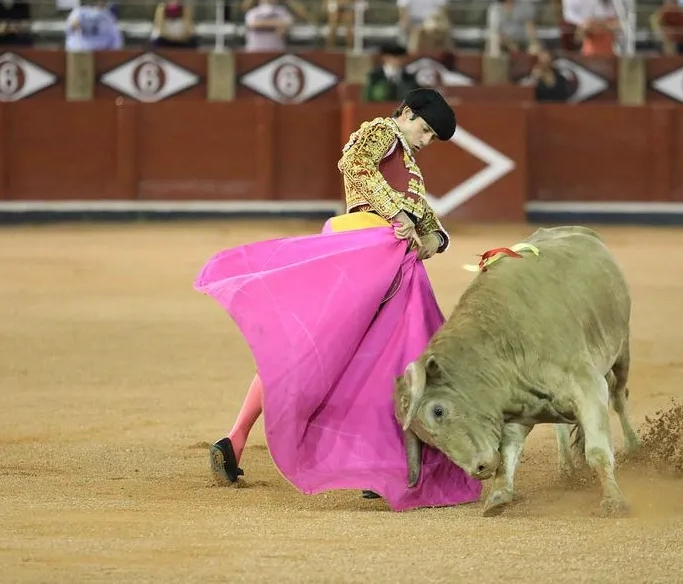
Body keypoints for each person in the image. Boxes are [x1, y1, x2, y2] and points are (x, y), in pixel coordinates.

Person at [194, 88, 482, 512]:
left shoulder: (408, 166)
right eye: (424, 129)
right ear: (405, 113)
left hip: (390, 267)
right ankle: (236, 439)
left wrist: (433, 239)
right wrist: (397, 216)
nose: (425, 140)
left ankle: (369, 461)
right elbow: (354, 163)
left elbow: (426, 218)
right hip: (362, 255)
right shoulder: (383, 131)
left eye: (432, 138)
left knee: (354, 356)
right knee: (356, 355)